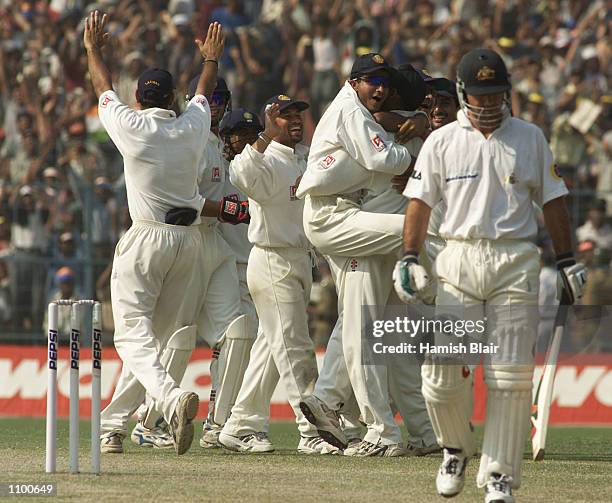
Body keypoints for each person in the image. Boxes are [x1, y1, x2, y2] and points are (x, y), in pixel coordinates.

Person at [394, 48, 587, 502]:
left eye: (496, 94)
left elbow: (553, 199)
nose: (488, 104)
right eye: (480, 95)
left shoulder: (530, 137)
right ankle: (456, 448)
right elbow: (419, 204)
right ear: (462, 93)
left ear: (508, 93)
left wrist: (566, 259)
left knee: (510, 377)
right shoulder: (442, 142)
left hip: (514, 261)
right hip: (458, 260)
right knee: (441, 375)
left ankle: (499, 475)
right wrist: (408, 256)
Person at [87, 11, 224, 455]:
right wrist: (210, 60)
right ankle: (112, 426)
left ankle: (168, 398)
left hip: (146, 238)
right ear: (173, 98)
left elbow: (102, 89)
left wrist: (93, 50)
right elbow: (203, 94)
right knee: (152, 343)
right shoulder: (191, 126)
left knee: (130, 337)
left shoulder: (132, 126)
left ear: (140, 100)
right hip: (188, 244)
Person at [296, 53, 428, 457]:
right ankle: (379, 429)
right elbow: (381, 160)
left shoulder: (371, 117)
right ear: (354, 82)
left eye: (385, 84)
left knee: (361, 325)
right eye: (372, 81)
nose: (380, 89)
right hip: (332, 216)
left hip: (351, 216)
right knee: (364, 327)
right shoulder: (352, 111)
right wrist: (416, 156)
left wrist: (410, 130)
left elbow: (382, 156)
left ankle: (328, 401)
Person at [219, 94, 334, 454]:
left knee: (272, 349)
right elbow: (239, 173)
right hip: (271, 259)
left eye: (298, 113)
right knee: (296, 348)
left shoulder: (305, 156)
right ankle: (312, 431)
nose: (295, 119)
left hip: (299, 260)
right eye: (285, 115)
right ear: (271, 120)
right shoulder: (263, 160)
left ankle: (240, 425)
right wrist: (265, 135)